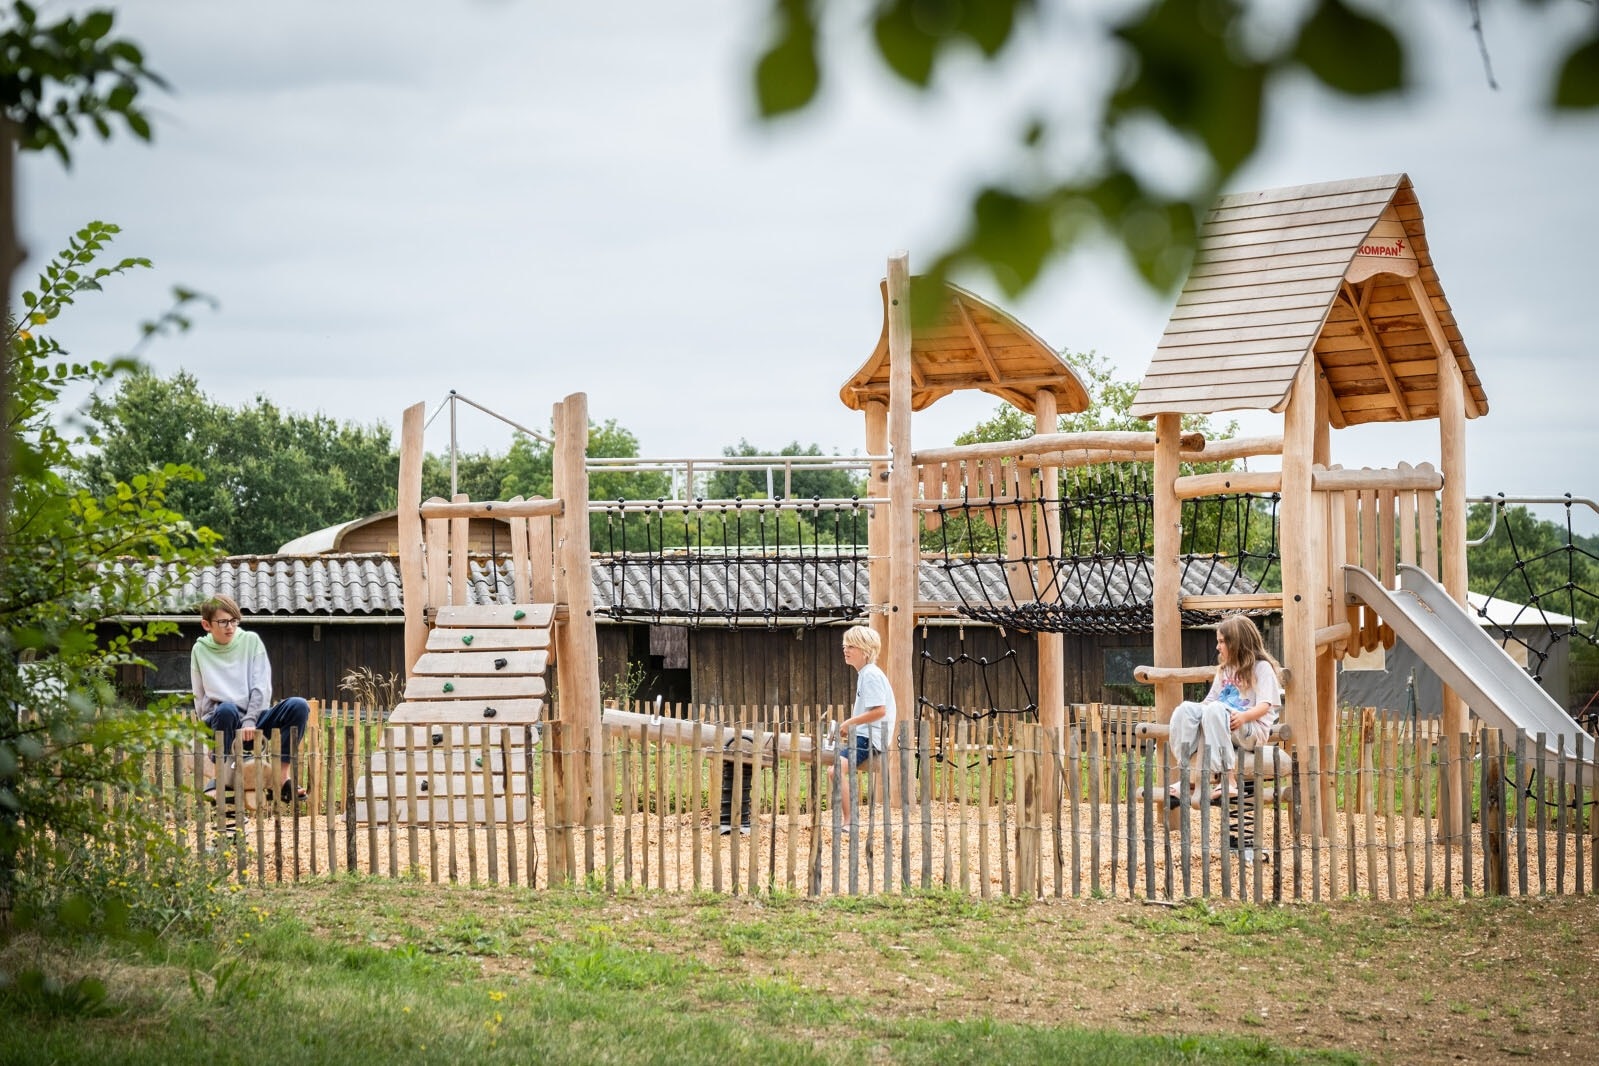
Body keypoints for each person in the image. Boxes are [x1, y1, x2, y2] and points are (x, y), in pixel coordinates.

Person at [191, 594, 310, 803]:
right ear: (206, 624)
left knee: (298, 706)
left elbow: (261, 686)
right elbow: (201, 697)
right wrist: (210, 732)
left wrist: (250, 719)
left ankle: (281, 779)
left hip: (254, 720)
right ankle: (219, 779)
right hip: (222, 719)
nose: (230, 627)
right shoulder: (200, 650)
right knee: (226, 709)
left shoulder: (251, 641)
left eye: (234, 621)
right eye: (223, 622)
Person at [1166, 614, 1282, 803]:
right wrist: (1193, 715)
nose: (1218, 647)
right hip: (1221, 724)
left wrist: (1244, 717)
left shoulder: (1262, 668)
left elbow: (1265, 705)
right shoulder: (1224, 670)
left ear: (1236, 643)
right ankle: (1187, 777)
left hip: (1250, 730)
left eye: (1222, 642)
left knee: (1215, 710)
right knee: (1184, 709)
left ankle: (1229, 779)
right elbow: (1210, 701)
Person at [834, 624, 897, 832]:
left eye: (851, 646)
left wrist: (848, 723)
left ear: (865, 650)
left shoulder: (870, 674)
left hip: (870, 738)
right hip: (865, 735)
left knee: (835, 770)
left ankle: (850, 819)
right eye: (845, 645)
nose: (845, 650)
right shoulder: (866, 674)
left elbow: (880, 711)